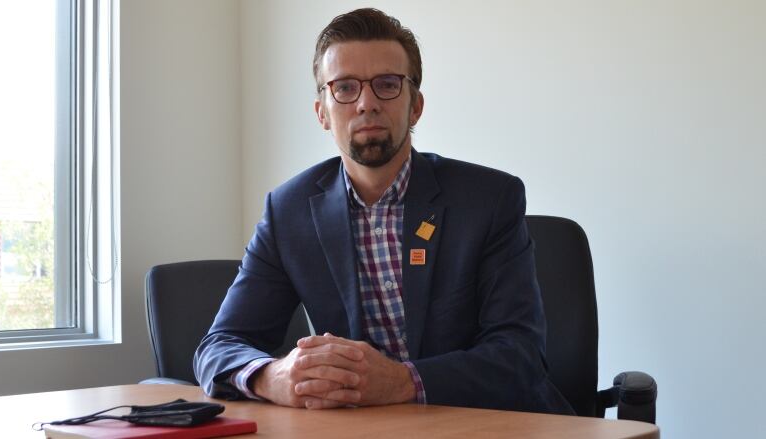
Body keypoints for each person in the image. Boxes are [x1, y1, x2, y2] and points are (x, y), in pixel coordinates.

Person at [194, 8, 572, 414]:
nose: (366, 104)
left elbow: (520, 357)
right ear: (322, 112)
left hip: (491, 424)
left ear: (415, 107)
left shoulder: (490, 199)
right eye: (345, 88)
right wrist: (273, 376)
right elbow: (218, 346)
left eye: (388, 85)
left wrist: (402, 380)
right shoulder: (289, 212)